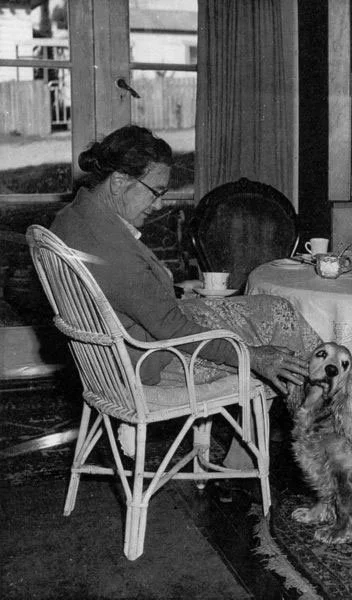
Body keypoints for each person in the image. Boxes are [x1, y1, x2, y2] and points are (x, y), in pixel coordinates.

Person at [50, 124, 321, 472]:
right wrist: (251, 356)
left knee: (276, 310)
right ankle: (322, 436)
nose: (160, 204)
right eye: (155, 192)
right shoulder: (111, 253)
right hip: (147, 361)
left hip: (115, 351)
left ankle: (253, 443)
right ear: (119, 181)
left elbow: (150, 307)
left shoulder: (74, 217)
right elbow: (172, 327)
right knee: (280, 336)